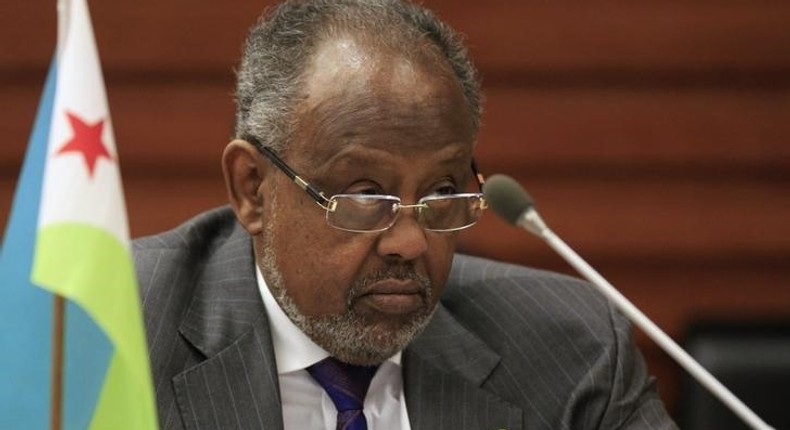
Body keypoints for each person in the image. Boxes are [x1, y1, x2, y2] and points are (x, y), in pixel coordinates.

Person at [133, 0, 678, 429]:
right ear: (252, 189)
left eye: (442, 190)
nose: (411, 243)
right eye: (366, 195)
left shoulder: (569, 350)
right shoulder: (110, 330)